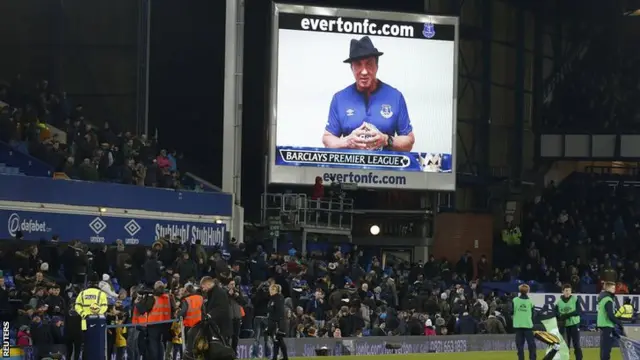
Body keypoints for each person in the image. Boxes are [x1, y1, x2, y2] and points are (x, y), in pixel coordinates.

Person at [322, 36, 415, 152]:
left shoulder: (395, 96)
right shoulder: (339, 98)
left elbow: (409, 141)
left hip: (385, 169)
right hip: (349, 169)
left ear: (377, 66)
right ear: (351, 68)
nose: (364, 71)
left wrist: (387, 140)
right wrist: (347, 141)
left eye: (369, 64)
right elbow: (327, 139)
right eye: (358, 64)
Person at [74, 279, 108, 360]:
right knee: (98, 345)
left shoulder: (82, 293)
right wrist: (98, 313)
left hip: (85, 322)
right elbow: (105, 306)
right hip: (98, 322)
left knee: (86, 344)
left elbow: (77, 306)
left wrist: (84, 314)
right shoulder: (101, 293)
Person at [555, 284, 583, 360]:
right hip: (564, 326)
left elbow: (578, 311)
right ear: (562, 291)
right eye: (566, 290)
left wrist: (566, 315)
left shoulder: (575, 299)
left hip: (574, 324)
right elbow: (555, 314)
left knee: (576, 345)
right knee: (565, 346)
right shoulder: (558, 302)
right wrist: (560, 317)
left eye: (569, 290)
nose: (568, 292)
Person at [598, 281, 624, 360]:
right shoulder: (608, 299)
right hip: (607, 325)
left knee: (603, 348)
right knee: (607, 349)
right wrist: (619, 323)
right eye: (613, 288)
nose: (614, 289)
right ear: (608, 288)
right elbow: (610, 315)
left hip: (603, 325)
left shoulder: (602, 298)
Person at [512, 284, 536, 360]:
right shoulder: (530, 302)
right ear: (528, 291)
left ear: (519, 290)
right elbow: (533, 315)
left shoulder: (515, 300)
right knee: (531, 346)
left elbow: (511, 312)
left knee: (520, 346)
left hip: (518, 326)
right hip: (528, 326)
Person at [267, 284, 288, 360]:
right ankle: (275, 357)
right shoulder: (273, 298)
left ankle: (284, 357)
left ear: (276, 290)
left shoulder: (278, 298)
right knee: (276, 341)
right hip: (274, 322)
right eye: (270, 289)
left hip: (277, 323)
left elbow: (279, 312)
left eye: (272, 290)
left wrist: (278, 324)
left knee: (279, 340)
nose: (270, 291)